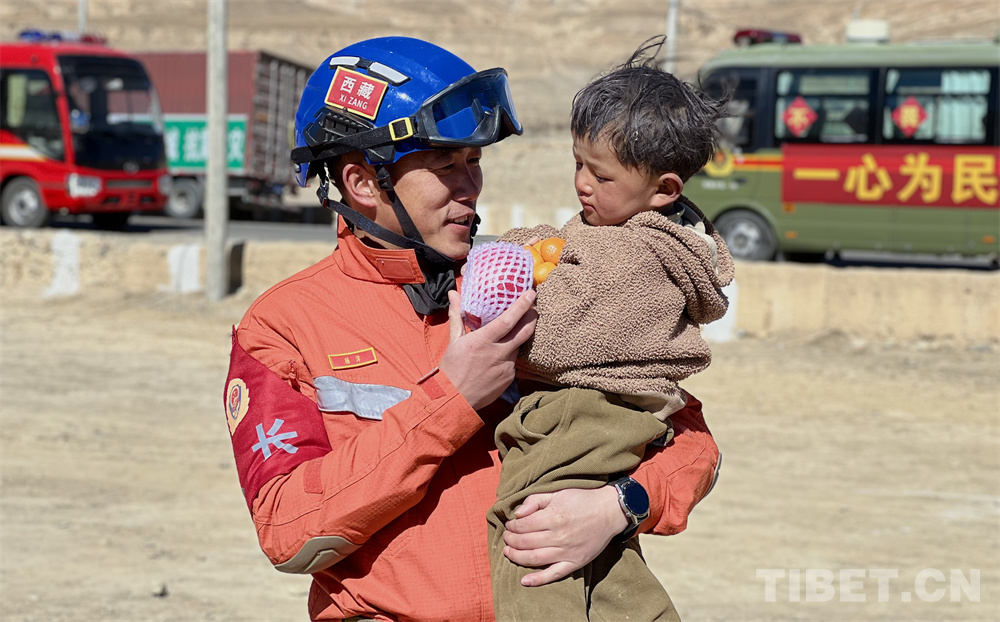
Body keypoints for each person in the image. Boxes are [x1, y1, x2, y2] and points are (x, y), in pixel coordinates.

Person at [222, 35, 721, 622]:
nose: (470, 187)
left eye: (474, 162)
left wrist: (620, 505)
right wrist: (451, 399)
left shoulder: (525, 282)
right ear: (362, 183)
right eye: (445, 167)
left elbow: (691, 441)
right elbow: (287, 530)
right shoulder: (282, 326)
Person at [480, 37, 734, 622]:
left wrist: (506, 295)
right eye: (578, 164)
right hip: (610, 411)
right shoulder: (624, 227)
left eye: (600, 174)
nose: (582, 184)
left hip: (587, 408)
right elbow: (566, 251)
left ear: (664, 189)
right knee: (604, 558)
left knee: (529, 529)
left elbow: (561, 339)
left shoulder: (638, 255)